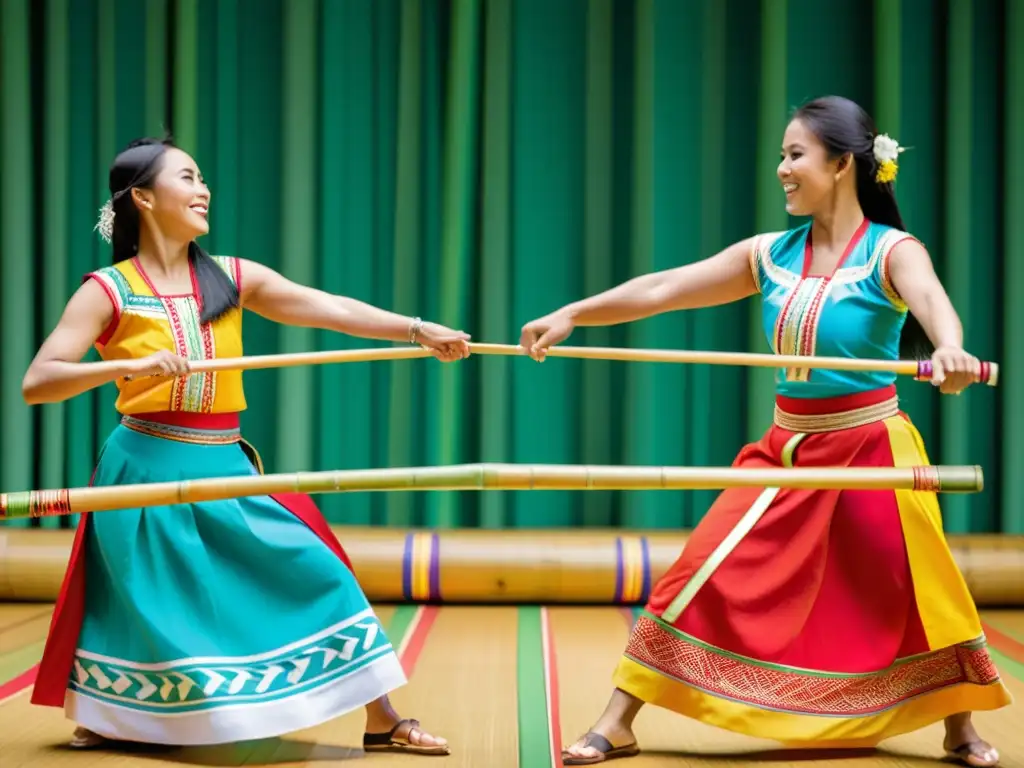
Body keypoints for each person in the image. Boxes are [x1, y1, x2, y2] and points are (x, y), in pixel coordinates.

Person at [519, 96, 1010, 767]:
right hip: (785, 450)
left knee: (920, 587)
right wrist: (574, 312)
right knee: (700, 570)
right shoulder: (769, 254)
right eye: (783, 155)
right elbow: (665, 288)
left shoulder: (892, 251)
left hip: (872, 449)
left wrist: (951, 351)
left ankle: (959, 728)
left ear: (843, 165)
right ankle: (619, 720)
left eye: (795, 155)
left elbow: (934, 307)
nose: (782, 168)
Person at [22, 137, 468, 755]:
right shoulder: (108, 290)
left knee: (316, 569)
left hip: (225, 461)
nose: (203, 189)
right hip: (144, 465)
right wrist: (126, 369)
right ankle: (118, 716)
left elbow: (327, 308)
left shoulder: (231, 277)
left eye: (203, 177)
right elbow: (37, 382)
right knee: (150, 605)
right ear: (144, 198)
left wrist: (416, 330)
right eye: (187, 177)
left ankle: (380, 717)